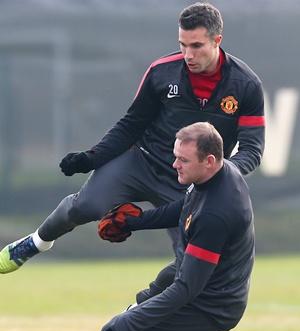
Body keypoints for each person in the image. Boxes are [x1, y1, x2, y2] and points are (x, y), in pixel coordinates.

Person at [0, 2, 264, 275]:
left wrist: (218, 176)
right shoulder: (162, 71)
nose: (188, 54)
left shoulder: (245, 85)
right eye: (182, 44)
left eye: (196, 46)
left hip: (190, 182)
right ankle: (35, 243)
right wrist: (93, 157)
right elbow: (132, 124)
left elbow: (252, 149)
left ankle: (141, 312)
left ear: (217, 41)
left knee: (192, 264)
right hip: (142, 162)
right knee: (86, 206)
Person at [66, 121, 255, 331]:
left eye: (183, 160)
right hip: (192, 278)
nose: (174, 165)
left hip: (212, 306)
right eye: (175, 157)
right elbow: (184, 209)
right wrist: (133, 223)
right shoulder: (210, 176)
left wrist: (132, 320)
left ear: (209, 160)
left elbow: (187, 289)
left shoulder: (218, 213)